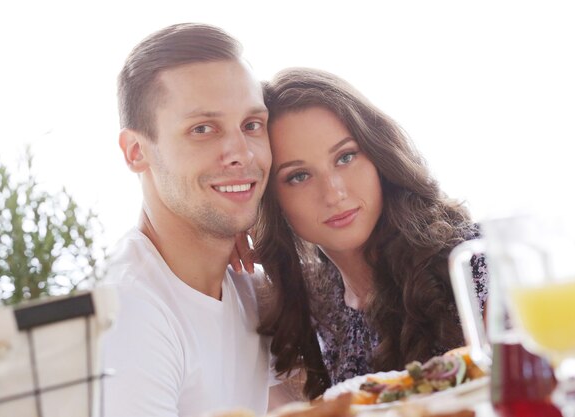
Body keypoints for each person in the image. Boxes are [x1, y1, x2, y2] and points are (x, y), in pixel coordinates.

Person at [253, 68, 488, 399]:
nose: (334, 193)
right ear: (271, 201)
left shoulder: (474, 261)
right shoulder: (316, 301)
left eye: (346, 157)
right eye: (299, 176)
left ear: (378, 155)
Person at [102, 23, 276, 417]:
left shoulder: (245, 285)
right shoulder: (128, 314)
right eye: (202, 129)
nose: (241, 154)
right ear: (135, 152)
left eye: (251, 126)